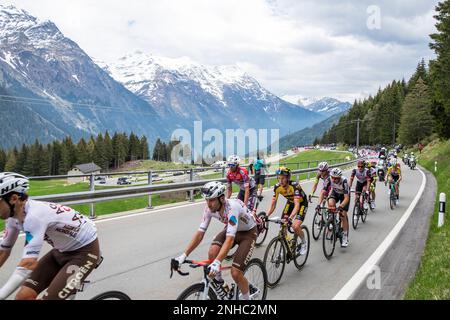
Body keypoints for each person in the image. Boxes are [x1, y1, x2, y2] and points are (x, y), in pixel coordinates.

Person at [0, 172, 100, 300]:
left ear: (14, 199)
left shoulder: (34, 216)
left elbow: (28, 264)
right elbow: (3, 252)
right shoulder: (13, 218)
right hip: (60, 251)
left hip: (84, 253)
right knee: (23, 297)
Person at [172, 181, 258, 300]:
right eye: (207, 200)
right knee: (212, 252)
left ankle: (247, 299)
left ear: (222, 199)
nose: (208, 204)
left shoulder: (232, 208)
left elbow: (229, 239)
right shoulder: (209, 209)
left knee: (235, 273)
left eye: (211, 200)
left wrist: (217, 262)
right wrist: (183, 255)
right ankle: (220, 284)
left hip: (248, 232)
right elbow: (200, 233)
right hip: (232, 228)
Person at [266, 167, 308, 255]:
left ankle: (304, 243)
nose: (280, 180)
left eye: (283, 178)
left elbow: (297, 205)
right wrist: (266, 216)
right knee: (283, 225)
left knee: (295, 226)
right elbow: (273, 204)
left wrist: (291, 218)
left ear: (288, 178)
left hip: (301, 203)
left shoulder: (294, 186)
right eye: (279, 178)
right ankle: (287, 245)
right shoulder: (277, 187)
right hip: (290, 202)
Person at [326, 168, 350, 247]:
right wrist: (320, 203)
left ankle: (345, 236)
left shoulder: (344, 181)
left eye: (336, 178)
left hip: (344, 196)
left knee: (342, 214)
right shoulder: (330, 179)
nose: (333, 179)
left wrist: (340, 206)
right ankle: (332, 220)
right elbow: (324, 191)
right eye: (332, 177)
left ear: (339, 177)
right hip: (335, 193)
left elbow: (346, 198)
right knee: (330, 203)